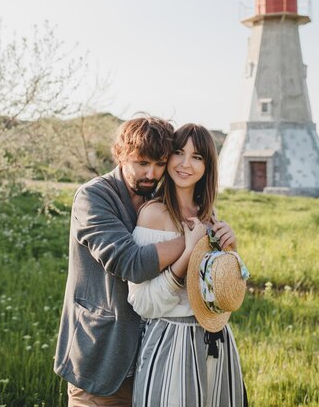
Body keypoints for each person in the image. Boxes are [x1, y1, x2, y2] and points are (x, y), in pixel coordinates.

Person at [54, 116, 187, 406]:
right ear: (120, 154)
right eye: (142, 163)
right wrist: (191, 242)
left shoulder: (160, 197)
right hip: (101, 354)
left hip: (153, 355)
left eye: (160, 163)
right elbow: (131, 263)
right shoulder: (93, 197)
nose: (151, 173)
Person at [128, 123, 247, 407]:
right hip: (172, 342)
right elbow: (142, 303)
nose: (185, 164)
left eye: (197, 157)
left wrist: (231, 252)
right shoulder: (153, 215)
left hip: (216, 341)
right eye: (179, 152)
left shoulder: (209, 214)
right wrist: (188, 251)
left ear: (207, 166)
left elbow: (223, 292)